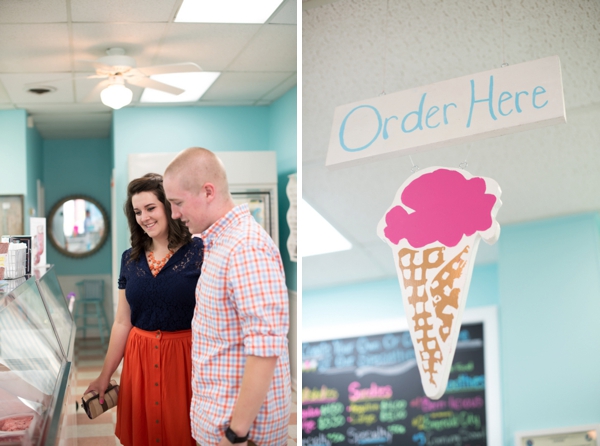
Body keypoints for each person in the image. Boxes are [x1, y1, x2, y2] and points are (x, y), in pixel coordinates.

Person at [163, 147, 291, 446]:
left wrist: (236, 435)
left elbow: (265, 347)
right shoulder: (218, 243)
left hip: (240, 436)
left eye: (178, 202)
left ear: (208, 191)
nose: (174, 214)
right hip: (217, 422)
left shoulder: (245, 247)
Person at [85, 173, 203, 446]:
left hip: (186, 359)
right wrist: (105, 375)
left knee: (184, 433)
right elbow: (122, 322)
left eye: (151, 208)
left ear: (168, 207)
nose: (144, 217)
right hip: (139, 360)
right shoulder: (131, 258)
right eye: (137, 212)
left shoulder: (199, 251)